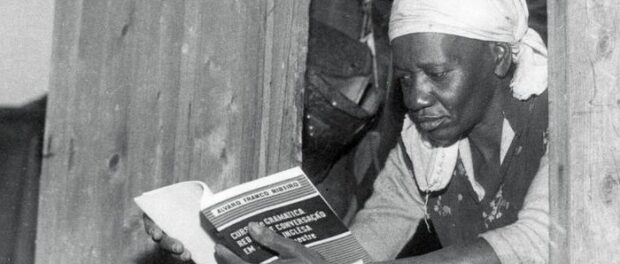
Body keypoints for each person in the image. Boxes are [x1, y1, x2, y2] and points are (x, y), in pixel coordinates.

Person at [144, 0, 550, 263]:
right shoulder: (424, 148)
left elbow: (538, 242)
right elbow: (359, 253)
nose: (418, 98)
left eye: (438, 74)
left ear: (498, 57)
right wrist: (218, 242)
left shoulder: (566, 122)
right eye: (406, 79)